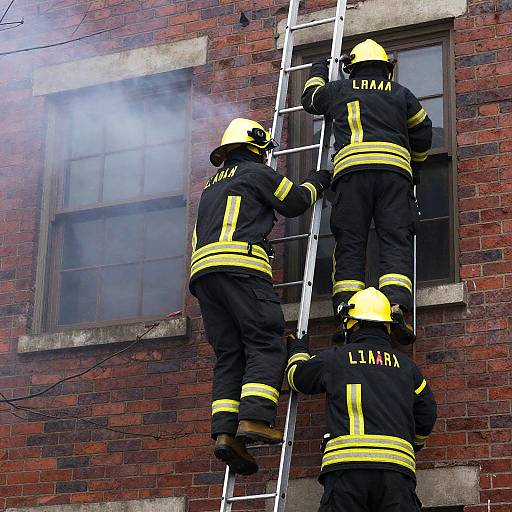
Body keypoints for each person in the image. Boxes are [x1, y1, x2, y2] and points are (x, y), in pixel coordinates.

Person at [189, 118, 332, 475]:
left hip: (204, 278)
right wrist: (320, 180)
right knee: (266, 339)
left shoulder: (209, 187)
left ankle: (225, 432)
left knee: (229, 353)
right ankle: (254, 418)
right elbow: (295, 201)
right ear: (255, 147)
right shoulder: (255, 173)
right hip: (241, 270)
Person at [301, 39, 433, 344]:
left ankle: (347, 308)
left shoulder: (339, 90)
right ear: (386, 69)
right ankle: (396, 304)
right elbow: (424, 132)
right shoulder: (402, 94)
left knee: (350, 241)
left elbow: (311, 99)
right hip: (394, 177)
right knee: (395, 238)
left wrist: (319, 68)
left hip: (352, 177)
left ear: (352, 69)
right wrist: (414, 165)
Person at [286, 287, 437, 512]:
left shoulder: (336, 359)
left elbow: (297, 377)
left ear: (351, 324)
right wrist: (414, 444)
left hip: (347, 472)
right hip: (396, 473)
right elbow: (427, 411)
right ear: (388, 326)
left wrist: (297, 349)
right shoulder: (407, 367)